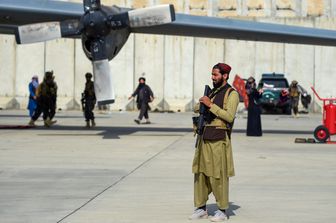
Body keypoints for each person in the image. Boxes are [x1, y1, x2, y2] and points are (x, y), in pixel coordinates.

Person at [190, 63, 239, 222]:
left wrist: (210, 105)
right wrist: (202, 103)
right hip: (204, 136)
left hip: (219, 139)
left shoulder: (232, 94)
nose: (212, 77)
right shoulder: (211, 92)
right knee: (200, 174)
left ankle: (222, 210)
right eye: (212, 74)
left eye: (215, 75)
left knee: (218, 175)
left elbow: (229, 116)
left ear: (225, 76)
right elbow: (197, 108)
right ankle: (201, 208)